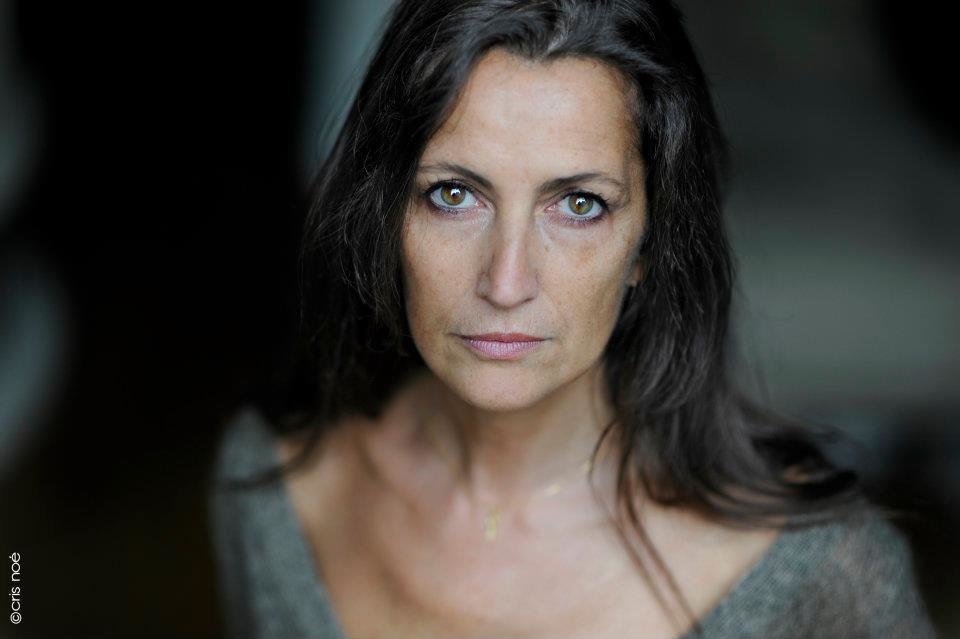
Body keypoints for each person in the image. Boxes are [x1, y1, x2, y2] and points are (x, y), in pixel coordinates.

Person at [207, 1, 938, 637]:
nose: (506, 282)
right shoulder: (279, 494)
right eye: (454, 194)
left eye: (579, 204)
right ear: (386, 212)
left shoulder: (818, 568)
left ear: (648, 243)